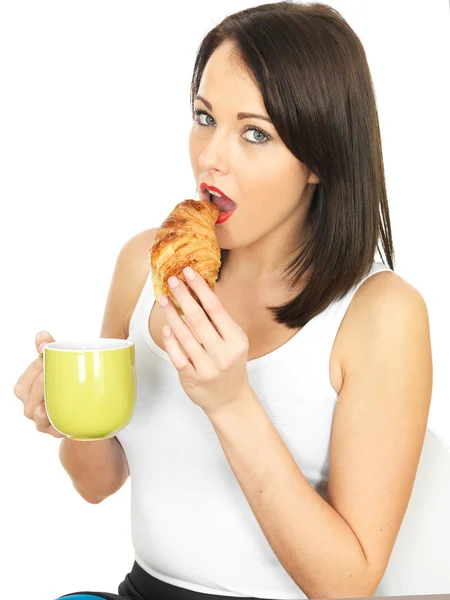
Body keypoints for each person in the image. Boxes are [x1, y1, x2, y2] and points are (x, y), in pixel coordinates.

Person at [14, 2, 433, 599]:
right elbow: (97, 484)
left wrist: (231, 403)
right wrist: (73, 416)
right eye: (204, 116)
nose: (211, 156)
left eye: (255, 132)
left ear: (319, 157)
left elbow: (347, 585)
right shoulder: (147, 264)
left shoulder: (381, 314)